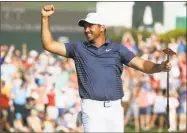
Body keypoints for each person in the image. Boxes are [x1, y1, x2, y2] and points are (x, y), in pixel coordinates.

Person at [41, 5, 172, 132]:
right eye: (85, 27)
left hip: (114, 108)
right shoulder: (78, 48)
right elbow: (49, 44)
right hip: (91, 108)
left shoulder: (117, 48)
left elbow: (143, 65)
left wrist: (160, 66)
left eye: (90, 26)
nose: (86, 30)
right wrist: (45, 18)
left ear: (102, 27)